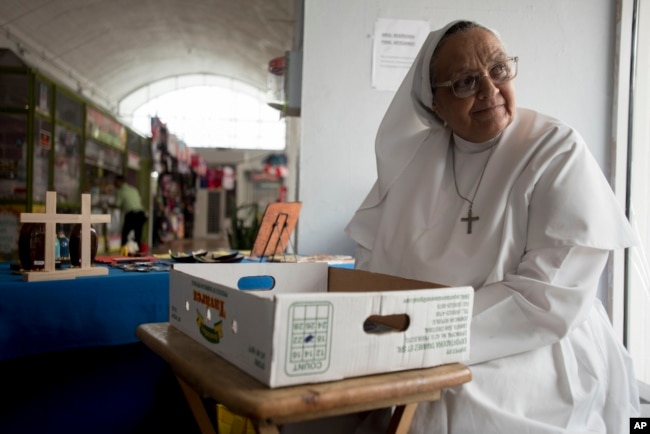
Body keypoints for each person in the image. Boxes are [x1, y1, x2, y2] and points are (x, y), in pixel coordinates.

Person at [345, 20, 640, 433]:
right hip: (418, 339)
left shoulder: (555, 148)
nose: (489, 90)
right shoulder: (414, 163)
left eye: (499, 70)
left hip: (534, 341)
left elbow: (550, 297)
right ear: (435, 103)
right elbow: (374, 263)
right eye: (465, 82)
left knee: (448, 402)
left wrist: (426, 341)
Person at [113, 175, 147, 254]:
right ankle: (137, 254)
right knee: (138, 235)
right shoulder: (134, 189)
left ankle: (123, 252)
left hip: (132, 214)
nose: (115, 183)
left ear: (120, 181)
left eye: (116, 182)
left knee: (125, 234)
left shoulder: (120, 191)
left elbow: (117, 204)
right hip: (141, 214)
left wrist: (108, 205)